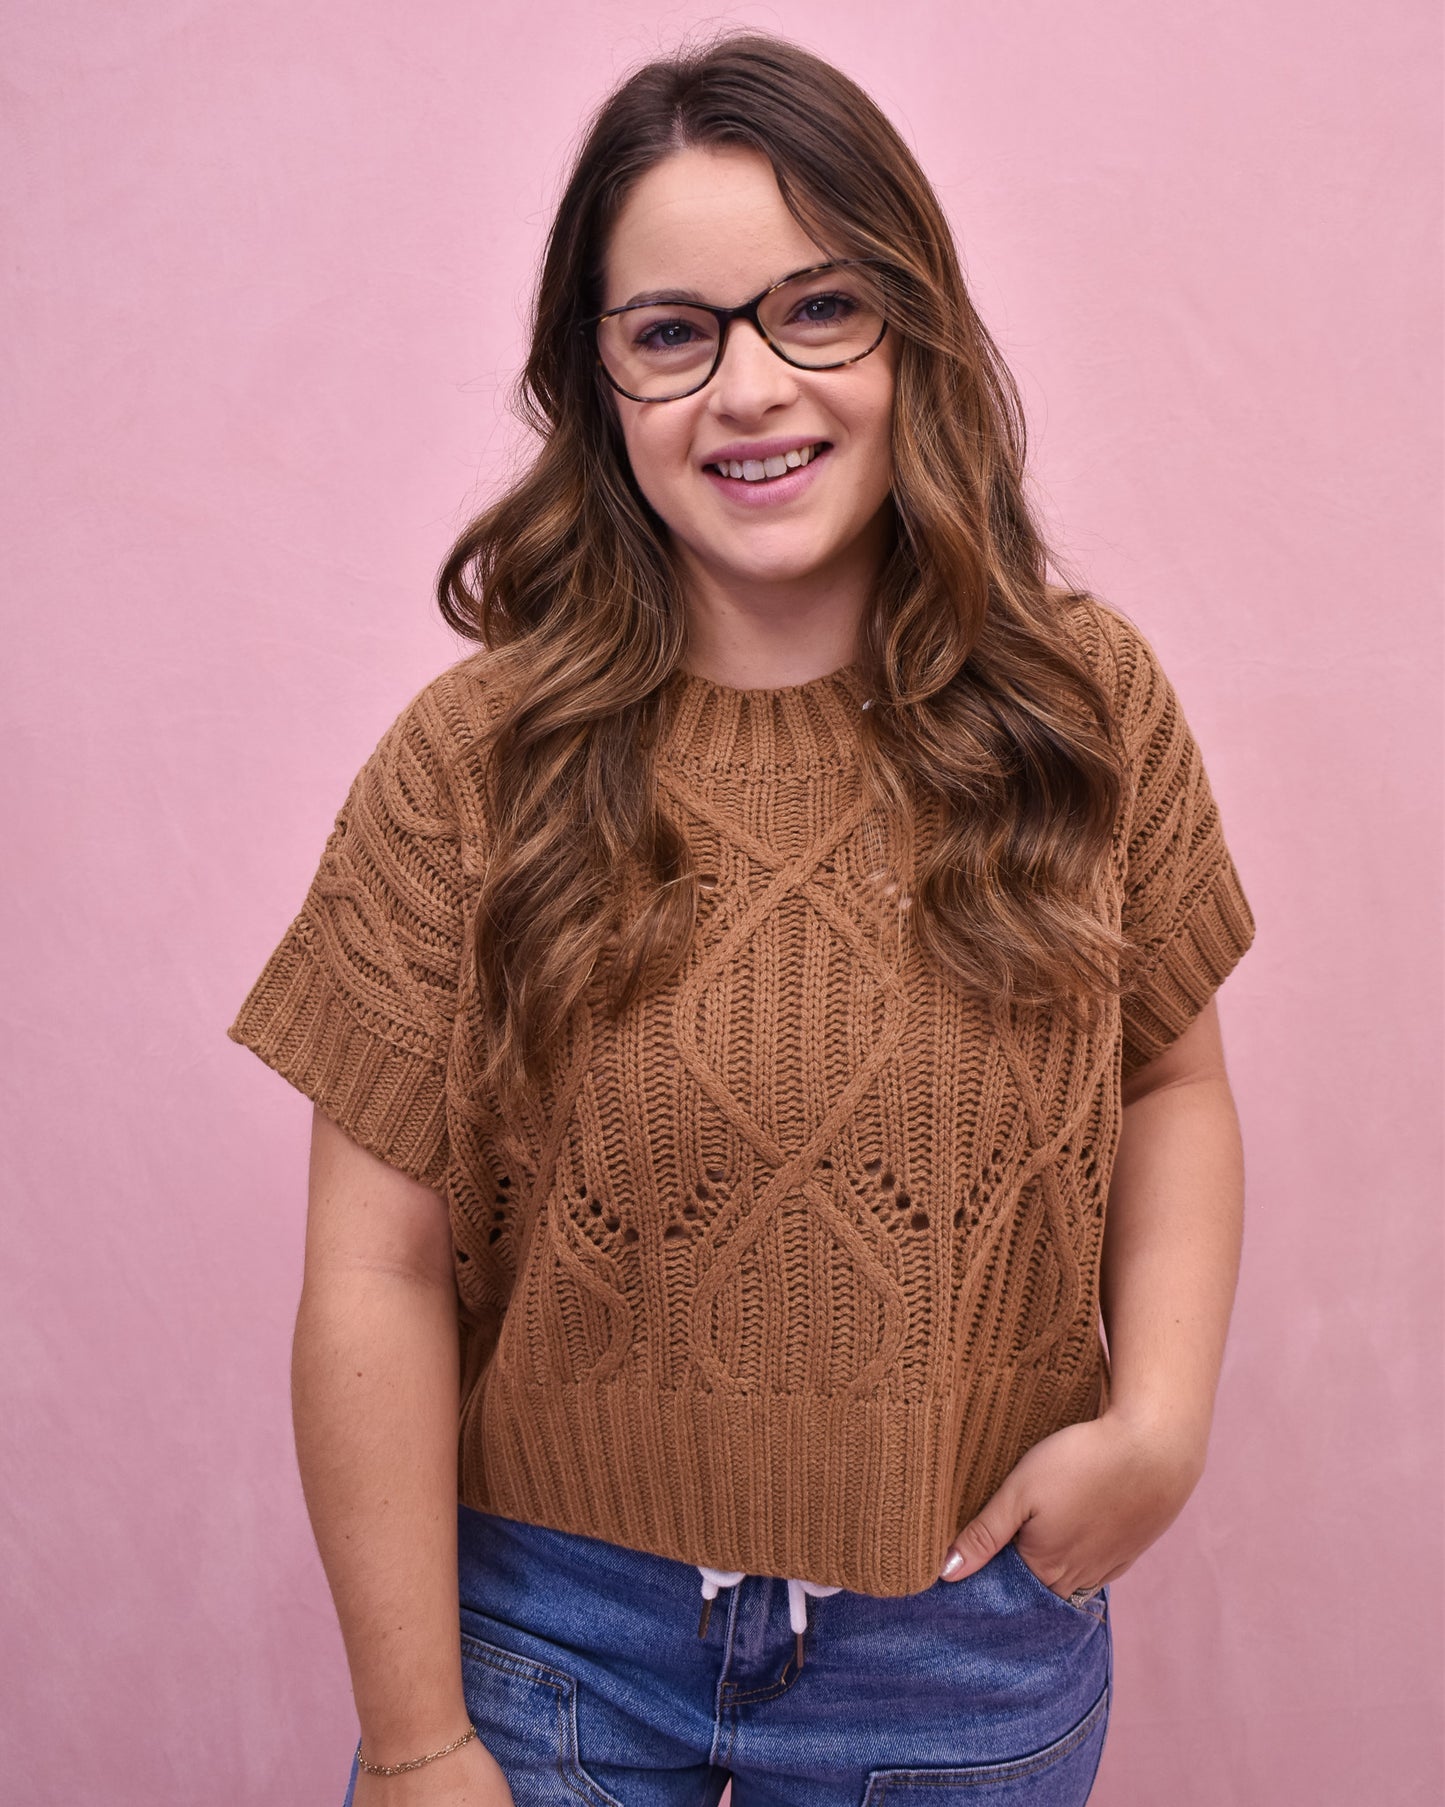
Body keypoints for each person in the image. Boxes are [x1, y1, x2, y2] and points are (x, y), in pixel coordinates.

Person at [227, 30, 1257, 1807]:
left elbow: (1168, 1084)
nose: (750, 386)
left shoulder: (1079, 705)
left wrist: (1157, 1423)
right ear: (601, 380)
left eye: (818, 308)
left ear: (909, 329)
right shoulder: (474, 761)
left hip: (958, 1646)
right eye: (672, 332)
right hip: (545, 1641)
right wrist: (412, 1743)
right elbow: (375, 1268)